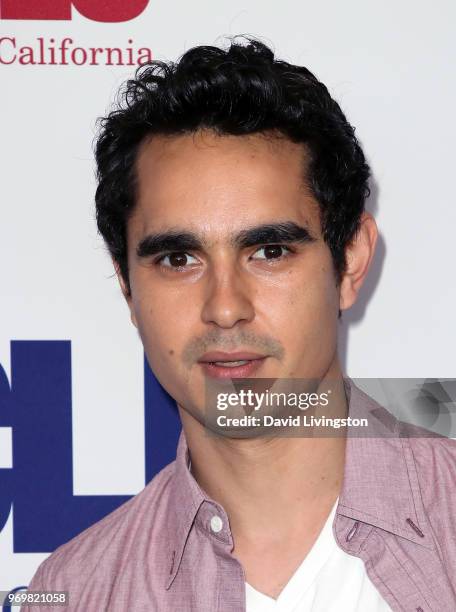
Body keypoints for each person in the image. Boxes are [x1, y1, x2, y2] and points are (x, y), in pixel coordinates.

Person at [23, 37, 456, 611]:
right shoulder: (77, 591)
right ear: (127, 285)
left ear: (349, 261)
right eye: (179, 259)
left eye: (270, 251)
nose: (225, 308)